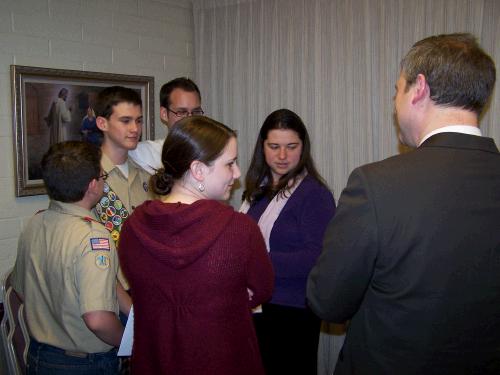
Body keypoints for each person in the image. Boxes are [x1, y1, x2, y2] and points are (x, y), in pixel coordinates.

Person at [307, 33, 500, 375]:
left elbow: (328, 301)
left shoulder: (376, 185)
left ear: (419, 88)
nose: (394, 103)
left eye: (397, 90)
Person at [118, 116, 274, 375]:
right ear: (199, 170)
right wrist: (227, 297)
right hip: (224, 361)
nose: (237, 173)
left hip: (156, 361)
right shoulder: (240, 230)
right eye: (230, 164)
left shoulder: (132, 228)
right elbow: (262, 289)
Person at [11, 141, 125, 374]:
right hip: (84, 364)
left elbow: (21, 289)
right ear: (93, 186)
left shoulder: (35, 224)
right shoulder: (93, 237)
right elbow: (98, 320)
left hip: (40, 356)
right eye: (102, 175)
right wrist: (129, 342)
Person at [240, 108, 336, 375]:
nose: (282, 156)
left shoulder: (314, 194)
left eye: (291, 147)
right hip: (254, 307)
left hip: (292, 311)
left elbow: (317, 256)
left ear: (303, 147)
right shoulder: (255, 191)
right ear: (263, 146)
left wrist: (252, 261)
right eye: (274, 146)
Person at [93, 86, 154, 247]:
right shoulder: (87, 176)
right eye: (125, 121)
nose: (135, 129)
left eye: (138, 121)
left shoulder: (146, 175)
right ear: (102, 123)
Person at [128, 77, 203, 174]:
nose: (190, 119)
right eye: (181, 112)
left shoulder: (213, 154)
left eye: (196, 112)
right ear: (164, 114)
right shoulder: (142, 153)